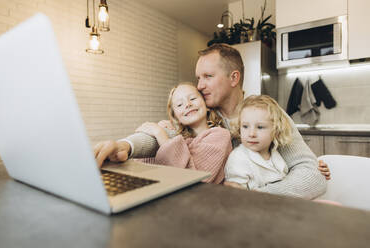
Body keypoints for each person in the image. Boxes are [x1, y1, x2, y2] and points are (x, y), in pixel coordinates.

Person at [94, 43, 329, 199]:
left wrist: (254, 195)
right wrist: (125, 145)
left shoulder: (265, 114)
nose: (199, 86)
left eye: (207, 77)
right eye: (198, 78)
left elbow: (310, 175)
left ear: (233, 78)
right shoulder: (204, 117)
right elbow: (164, 135)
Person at [95, 83, 232, 184]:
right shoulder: (173, 132)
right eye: (179, 105)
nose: (187, 104)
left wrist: (159, 133)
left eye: (193, 99)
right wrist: (124, 145)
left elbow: (198, 178)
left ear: (206, 105)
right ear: (176, 116)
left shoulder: (220, 135)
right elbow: (147, 142)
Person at [223, 95, 295, 190]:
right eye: (245, 126)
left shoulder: (275, 154)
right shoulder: (238, 158)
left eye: (260, 127)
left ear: (276, 130)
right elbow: (236, 196)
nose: (251, 134)